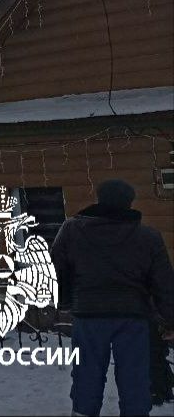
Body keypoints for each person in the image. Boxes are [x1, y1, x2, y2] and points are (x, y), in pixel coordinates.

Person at [51, 179, 174, 417]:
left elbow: (57, 270)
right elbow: (164, 283)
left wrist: (65, 303)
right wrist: (170, 320)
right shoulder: (148, 237)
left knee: (87, 371)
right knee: (134, 375)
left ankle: (84, 413)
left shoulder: (71, 230)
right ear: (130, 203)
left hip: (88, 314)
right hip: (133, 317)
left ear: (100, 198)